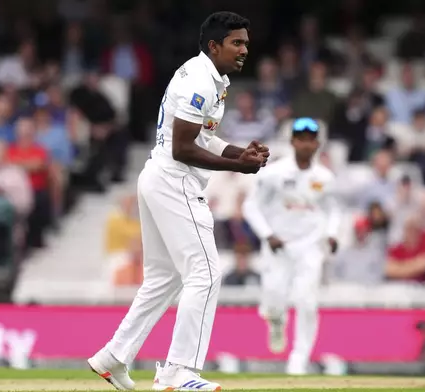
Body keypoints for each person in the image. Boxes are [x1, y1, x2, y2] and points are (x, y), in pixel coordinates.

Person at [87, 12, 268, 391]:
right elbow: (185, 149)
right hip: (176, 183)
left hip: (160, 178)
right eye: (237, 43)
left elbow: (202, 139)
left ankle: (114, 356)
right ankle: (178, 372)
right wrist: (238, 169)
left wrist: (241, 154)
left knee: (163, 278)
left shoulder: (212, 78)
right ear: (214, 45)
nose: (244, 50)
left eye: (246, 43)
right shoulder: (199, 83)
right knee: (205, 274)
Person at [242, 117, 340, 375]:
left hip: (310, 246)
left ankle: (299, 360)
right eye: (301, 138)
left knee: (307, 302)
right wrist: (268, 234)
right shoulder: (274, 173)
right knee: (274, 300)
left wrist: (330, 234)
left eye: (311, 139)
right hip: (279, 246)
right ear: (293, 141)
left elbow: (333, 210)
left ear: (317, 143)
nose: (306, 144)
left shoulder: (325, 177)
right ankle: (276, 322)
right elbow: (250, 206)